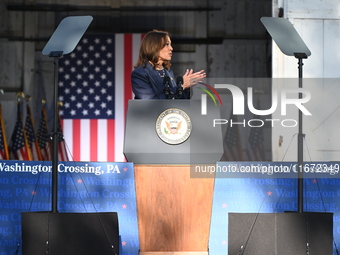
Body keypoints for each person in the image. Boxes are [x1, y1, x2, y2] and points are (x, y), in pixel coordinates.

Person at [131, 30, 206, 99]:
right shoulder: (140, 74)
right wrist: (181, 86)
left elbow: (176, 99)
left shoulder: (168, 71)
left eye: (170, 44)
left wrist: (187, 87)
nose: (171, 48)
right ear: (154, 47)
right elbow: (150, 104)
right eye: (167, 44)